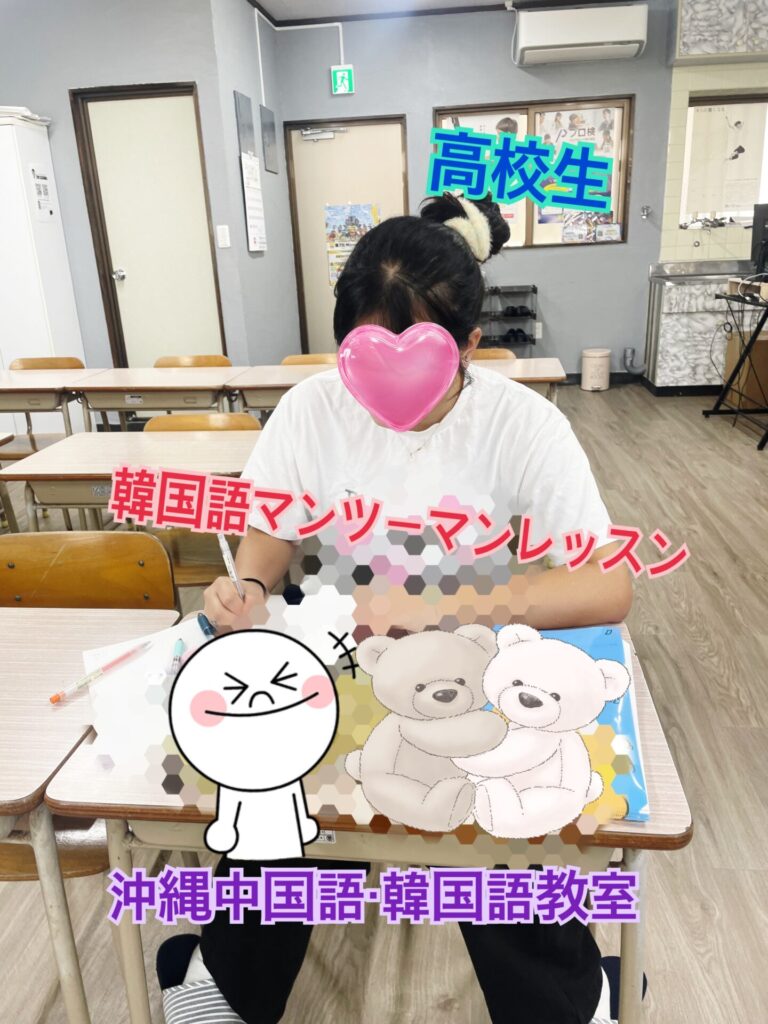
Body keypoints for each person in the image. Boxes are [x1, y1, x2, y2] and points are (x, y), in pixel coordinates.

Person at [160, 192, 631, 1024]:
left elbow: (607, 584)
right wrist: (251, 588)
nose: (383, 392)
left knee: (495, 830)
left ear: (472, 345)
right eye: (363, 359)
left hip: (472, 666)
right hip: (335, 660)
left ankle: (569, 996)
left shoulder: (520, 424)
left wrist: (452, 606)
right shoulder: (313, 408)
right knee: (278, 814)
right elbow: (268, 535)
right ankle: (223, 983)